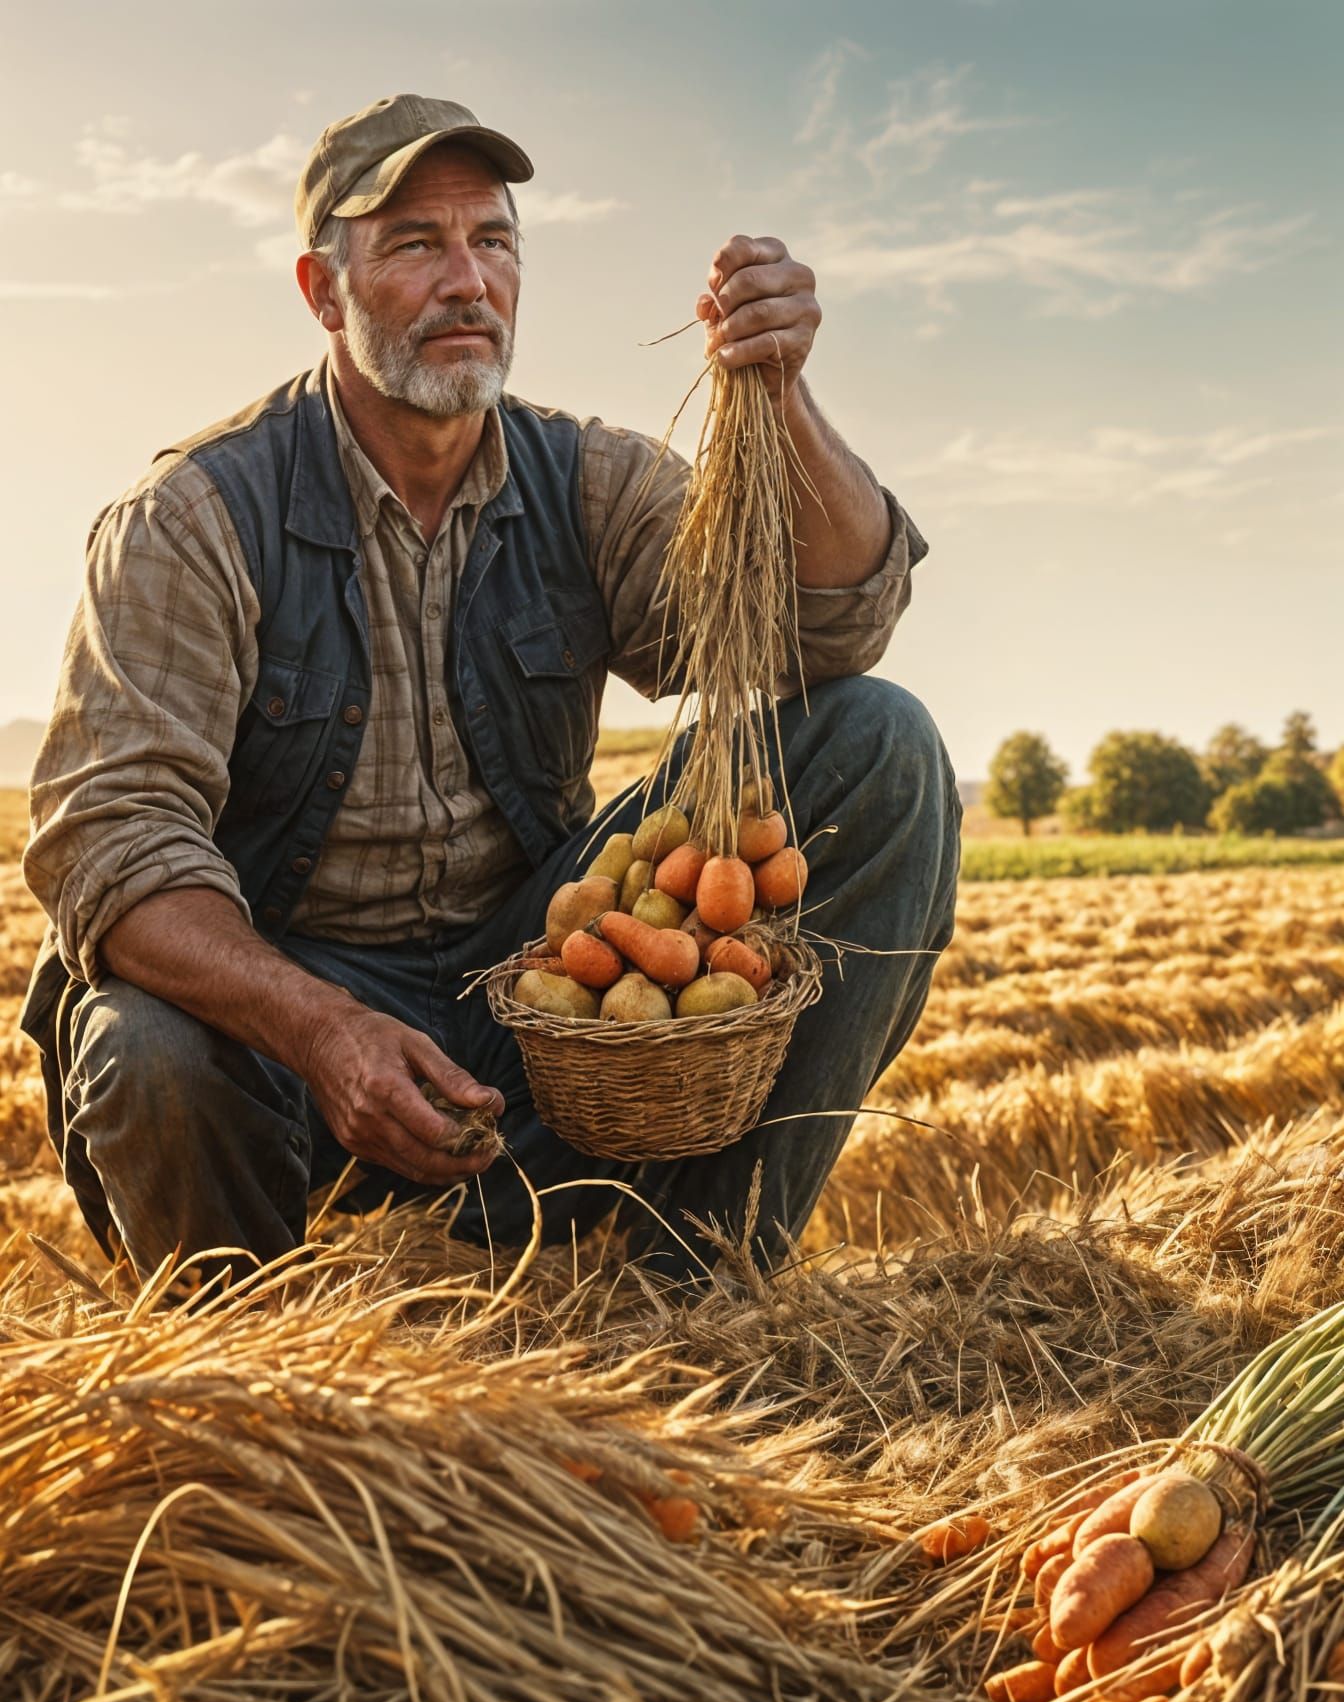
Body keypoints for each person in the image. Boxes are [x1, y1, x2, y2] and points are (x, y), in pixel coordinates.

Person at [21, 94, 961, 1292]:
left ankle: (696, 1286)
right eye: (417, 243)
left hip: (531, 984)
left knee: (881, 743)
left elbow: (832, 625)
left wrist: (780, 396)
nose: (468, 280)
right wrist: (323, 1030)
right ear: (324, 290)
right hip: (286, 1023)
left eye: (494, 241)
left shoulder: (589, 479)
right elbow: (114, 845)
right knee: (142, 1042)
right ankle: (247, 1359)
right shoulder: (196, 520)